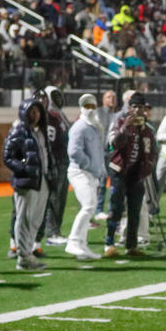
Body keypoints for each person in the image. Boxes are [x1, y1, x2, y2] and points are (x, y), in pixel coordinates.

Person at [2, 97, 53, 271]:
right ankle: (23, 257)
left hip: (41, 180)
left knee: (36, 219)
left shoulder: (40, 131)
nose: (35, 114)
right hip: (27, 182)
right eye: (32, 111)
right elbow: (7, 156)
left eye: (38, 111)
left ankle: (28, 252)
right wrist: (23, 168)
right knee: (24, 219)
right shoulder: (19, 131)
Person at [104, 92, 157, 257]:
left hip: (136, 173)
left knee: (135, 210)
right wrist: (125, 127)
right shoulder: (119, 122)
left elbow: (152, 152)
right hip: (119, 171)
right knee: (116, 208)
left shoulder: (147, 130)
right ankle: (109, 244)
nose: (137, 110)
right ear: (129, 108)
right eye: (134, 107)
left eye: (140, 107)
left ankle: (131, 245)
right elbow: (112, 144)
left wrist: (147, 168)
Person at [64, 94, 104, 260]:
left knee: (90, 207)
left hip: (90, 173)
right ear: (81, 108)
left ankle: (82, 245)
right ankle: (73, 241)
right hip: (79, 171)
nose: (90, 109)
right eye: (86, 106)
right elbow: (73, 151)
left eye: (92, 106)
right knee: (88, 205)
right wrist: (88, 164)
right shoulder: (79, 127)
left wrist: (99, 169)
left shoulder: (94, 126)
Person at [42, 86, 71, 245]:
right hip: (55, 163)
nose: (58, 99)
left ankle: (56, 230)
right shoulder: (48, 117)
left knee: (60, 198)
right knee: (53, 199)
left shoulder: (60, 116)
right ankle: (52, 233)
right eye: (55, 96)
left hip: (64, 162)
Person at [93, 90, 117, 220]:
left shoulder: (116, 114)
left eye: (113, 97)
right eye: (108, 97)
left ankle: (111, 209)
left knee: (113, 182)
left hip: (112, 152)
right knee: (101, 181)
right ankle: (98, 209)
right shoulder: (98, 113)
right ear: (103, 100)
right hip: (101, 151)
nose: (111, 99)